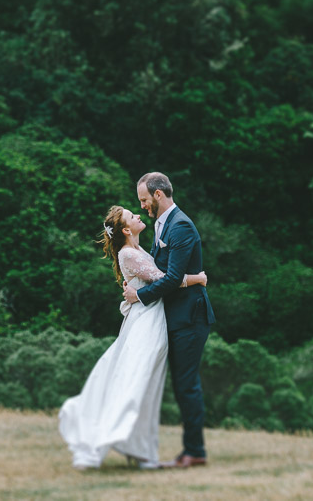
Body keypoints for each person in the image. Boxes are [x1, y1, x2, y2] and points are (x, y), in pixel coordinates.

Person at [58, 205, 207, 470]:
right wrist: (198, 278)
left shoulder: (138, 251)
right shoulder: (128, 253)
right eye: (132, 216)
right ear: (126, 230)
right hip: (146, 324)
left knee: (148, 386)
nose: (138, 215)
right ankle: (111, 441)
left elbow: (155, 280)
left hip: (153, 319)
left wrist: (135, 293)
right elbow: (165, 280)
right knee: (135, 382)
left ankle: (141, 450)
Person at [123, 172, 215, 469]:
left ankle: (195, 451)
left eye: (144, 200)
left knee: (186, 385)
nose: (143, 206)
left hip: (189, 318)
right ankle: (142, 443)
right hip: (172, 317)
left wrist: (140, 296)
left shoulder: (181, 226)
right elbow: (159, 271)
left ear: (158, 195)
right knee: (173, 383)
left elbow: (173, 277)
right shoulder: (163, 225)